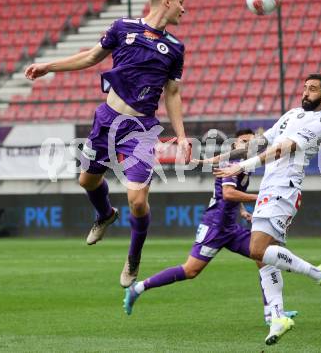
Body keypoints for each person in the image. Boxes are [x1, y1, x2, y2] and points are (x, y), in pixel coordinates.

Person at [24, 0, 190, 288]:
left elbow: (173, 93)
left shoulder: (176, 49)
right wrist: (49, 66)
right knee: (87, 181)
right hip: (107, 119)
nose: (185, 8)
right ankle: (105, 214)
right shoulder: (122, 27)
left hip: (141, 129)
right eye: (181, 1)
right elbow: (90, 57)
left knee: (138, 202)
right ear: (167, 1)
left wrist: (181, 135)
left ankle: (133, 258)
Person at [192, 74, 321, 345]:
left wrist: (243, 167)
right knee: (264, 259)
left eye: (313, 89)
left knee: (257, 250)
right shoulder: (292, 114)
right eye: (305, 88)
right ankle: (277, 317)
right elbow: (259, 143)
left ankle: (320, 274)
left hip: (284, 188)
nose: (306, 93)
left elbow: (283, 148)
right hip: (269, 189)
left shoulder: (319, 122)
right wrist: (219, 157)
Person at [122, 129, 298, 325]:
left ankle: (272, 313)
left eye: (251, 142)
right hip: (215, 226)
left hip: (230, 227)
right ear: (234, 146)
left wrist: (242, 211)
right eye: (243, 141)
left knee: (264, 257)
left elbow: (230, 194)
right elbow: (229, 193)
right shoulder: (230, 163)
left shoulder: (244, 166)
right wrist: (260, 198)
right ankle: (137, 288)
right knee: (190, 270)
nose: (248, 145)